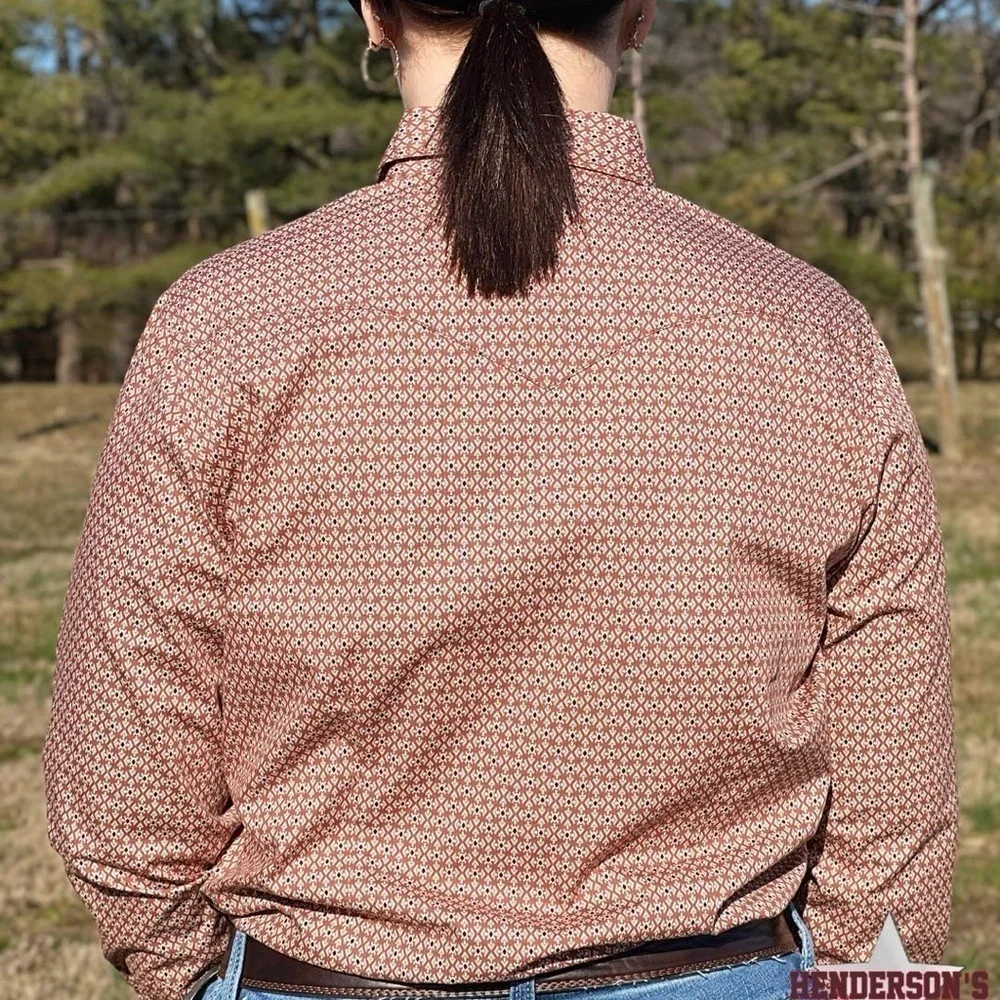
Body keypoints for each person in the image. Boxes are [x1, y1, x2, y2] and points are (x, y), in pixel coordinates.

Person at [41, 0, 959, 998]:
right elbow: (893, 817)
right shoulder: (808, 327)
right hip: (722, 972)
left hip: (317, 976)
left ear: (373, 14)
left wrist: (193, 976)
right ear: (639, 13)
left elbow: (126, 791)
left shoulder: (226, 322)